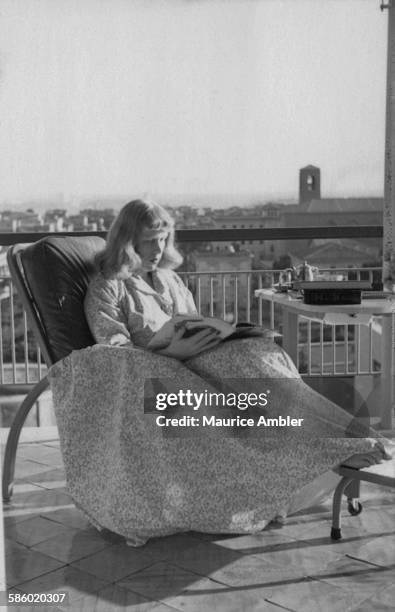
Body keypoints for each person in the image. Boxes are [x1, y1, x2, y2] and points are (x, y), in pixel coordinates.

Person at [84, 199, 388, 470]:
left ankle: (347, 438)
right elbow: (113, 351)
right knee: (257, 375)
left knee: (267, 355)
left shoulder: (169, 278)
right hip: (157, 373)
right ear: (127, 241)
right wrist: (166, 353)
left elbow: (191, 321)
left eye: (163, 239)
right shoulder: (109, 287)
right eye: (150, 240)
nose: (159, 249)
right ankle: (334, 450)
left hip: (197, 361)